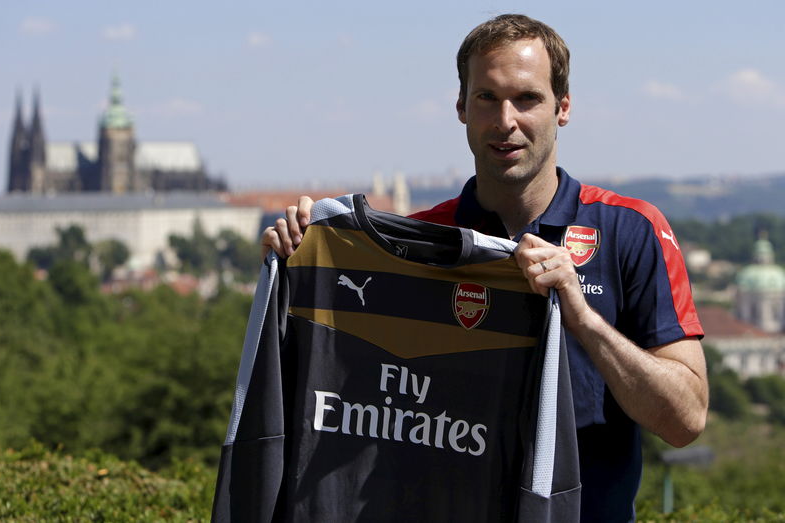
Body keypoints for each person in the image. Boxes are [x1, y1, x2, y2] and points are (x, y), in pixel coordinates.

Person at [261, 14, 707, 523]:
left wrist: (580, 317)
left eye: (527, 98)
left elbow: (685, 420)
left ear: (563, 108)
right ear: (461, 108)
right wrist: (299, 260)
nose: (505, 121)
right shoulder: (419, 242)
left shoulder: (631, 230)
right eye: (487, 99)